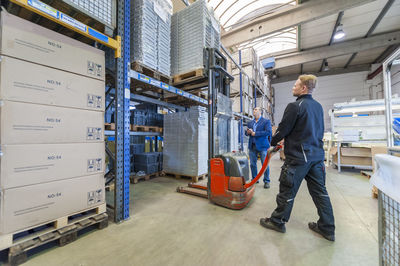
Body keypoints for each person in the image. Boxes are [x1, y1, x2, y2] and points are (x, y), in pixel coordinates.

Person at [259, 74, 335, 241]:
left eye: (295, 85)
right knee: (320, 193)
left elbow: (282, 130)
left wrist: (272, 141)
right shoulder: (318, 106)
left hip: (299, 158)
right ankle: (327, 228)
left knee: (287, 190)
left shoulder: (295, 106)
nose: (292, 87)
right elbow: (311, 130)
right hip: (316, 156)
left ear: (303, 88)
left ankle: (277, 221)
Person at [245, 107, 272, 189]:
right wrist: (248, 132)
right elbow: (247, 134)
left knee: (265, 164)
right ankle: (254, 179)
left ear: (260, 112)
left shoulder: (266, 121)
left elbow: (268, 132)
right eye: (253, 110)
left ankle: (266, 181)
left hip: (263, 146)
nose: (254, 111)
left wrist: (255, 133)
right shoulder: (250, 122)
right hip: (252, 146)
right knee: (252, 164)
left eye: (256, 109)